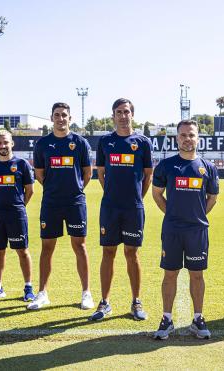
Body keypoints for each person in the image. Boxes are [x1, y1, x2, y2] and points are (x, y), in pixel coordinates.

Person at [152, 120, 219, 340]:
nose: (187, 139)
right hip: (172, 229)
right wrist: (171, 214)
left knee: (197, 275)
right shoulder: (166, 166)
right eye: (183, 135)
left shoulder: (208, 168)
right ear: (177, 138)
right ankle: (167, 319)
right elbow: (157, 195)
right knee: (169, 274)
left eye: (191, 135)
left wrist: (197, 216)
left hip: (197, 231)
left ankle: (198, 318)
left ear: (198, 138)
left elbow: (212, 198)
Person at [28, 102, 94, 310]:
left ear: (69, 118)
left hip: (75, 201)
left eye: (64, 115)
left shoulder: (80, 143)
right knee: (47, 247)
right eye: (57, 115)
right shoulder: (42, 144)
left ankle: (86, 293)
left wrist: (74, 189)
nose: (60, 118)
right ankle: (42, 293)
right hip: (51, 202)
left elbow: (87, 173)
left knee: (80, 246)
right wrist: (53, 188)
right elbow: (39, 173)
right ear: (52, 118)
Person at [91, 98, 153, 321]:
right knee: (108, 252)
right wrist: (111, 193)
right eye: (119, 112)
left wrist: (137, 197)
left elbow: (148, 175)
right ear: (113, 116)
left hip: (133, 208)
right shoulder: (106, 141)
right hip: (110, 207)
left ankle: (136, 302)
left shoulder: (143, 142)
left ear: (132, 115)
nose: (123, 115)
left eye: (127, 111)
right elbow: (101, 172)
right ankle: (105, 302)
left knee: (131, 253)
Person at [0, 130, 35, 302]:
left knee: (22, 251)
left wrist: (18, 206)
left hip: (17, 213)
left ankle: (28, 287)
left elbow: (30, 190)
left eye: (5, 142)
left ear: (12, 143)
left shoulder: (22, 164)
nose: (2, 146)